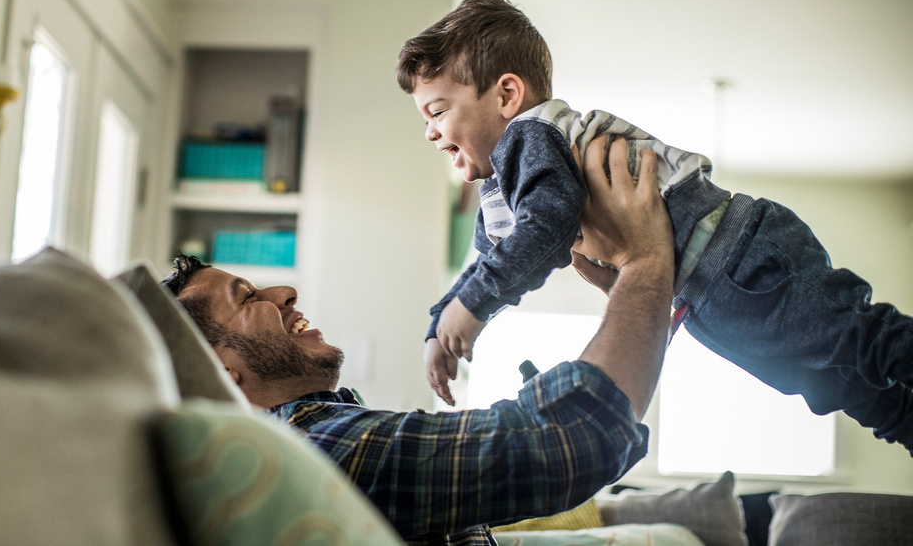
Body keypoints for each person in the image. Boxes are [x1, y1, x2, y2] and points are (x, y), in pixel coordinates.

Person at [397, 0, 913, 451]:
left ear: (507, 96)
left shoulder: (531, 138)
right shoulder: (501, 184)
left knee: (863, 340)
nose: (429, 132)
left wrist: (473, 305)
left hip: (740, 257)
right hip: (705, 294)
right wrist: (441, 322)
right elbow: (492, 259)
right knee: (833, 384)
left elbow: (545, 231)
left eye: (438, 112)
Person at [164, 138, 676, 545]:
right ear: (221, 374)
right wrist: (647, 262)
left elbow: (570, 450)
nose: (285, 292)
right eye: (248, 296)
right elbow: (573, 441)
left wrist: (641, 297)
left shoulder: (323, 436)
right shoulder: (321, 446)